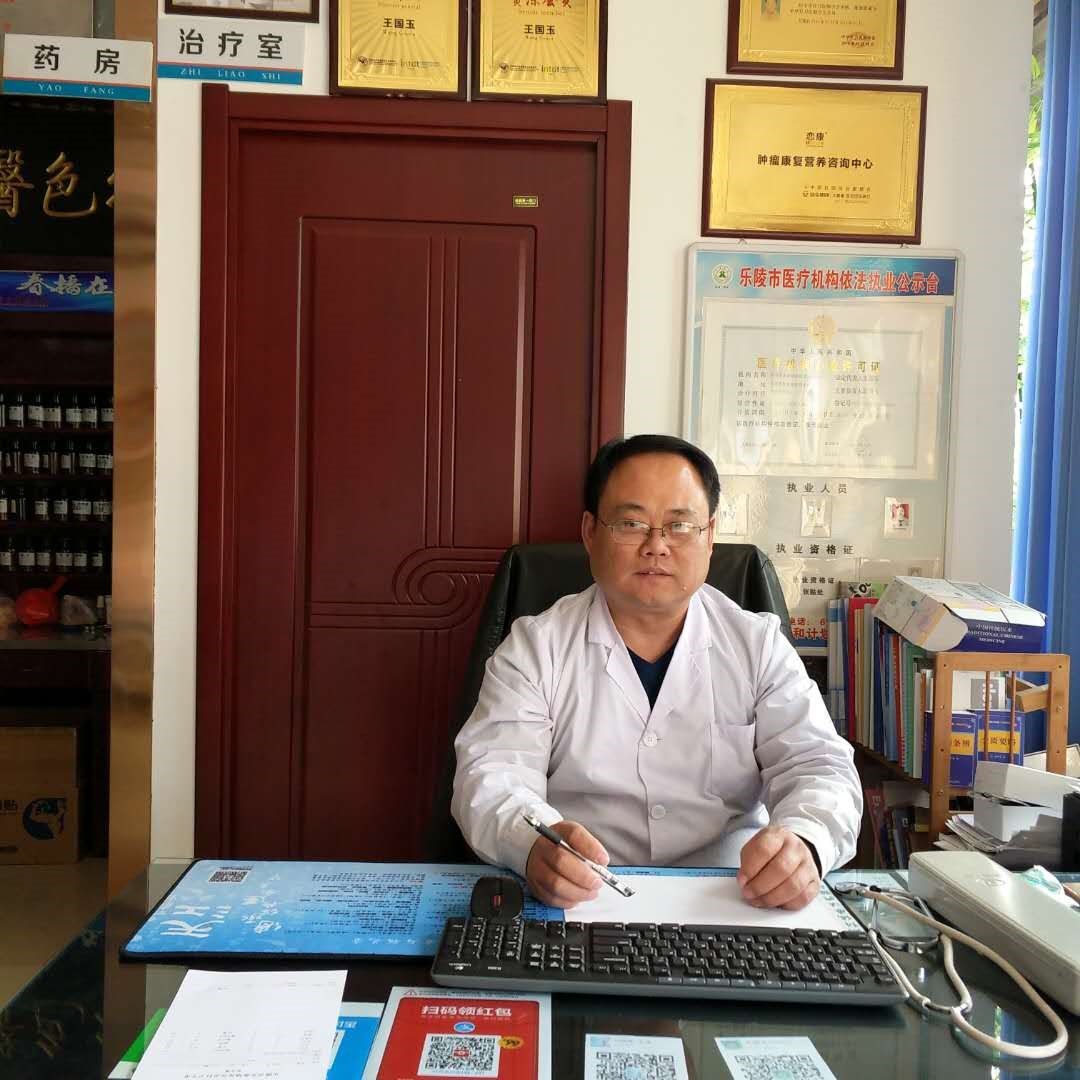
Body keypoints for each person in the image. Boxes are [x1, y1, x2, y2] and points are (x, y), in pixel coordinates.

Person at [451, 435, 861, 911]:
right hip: (584, 894)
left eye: (679, 526)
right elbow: (492, 774)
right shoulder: (536, 647)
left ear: (709, 535)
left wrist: (804, 841)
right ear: (590, 532)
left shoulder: (758, 645)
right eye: (631, 524)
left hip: (733, 893)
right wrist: (532, 845)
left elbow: (818, 766)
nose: (656, 546)